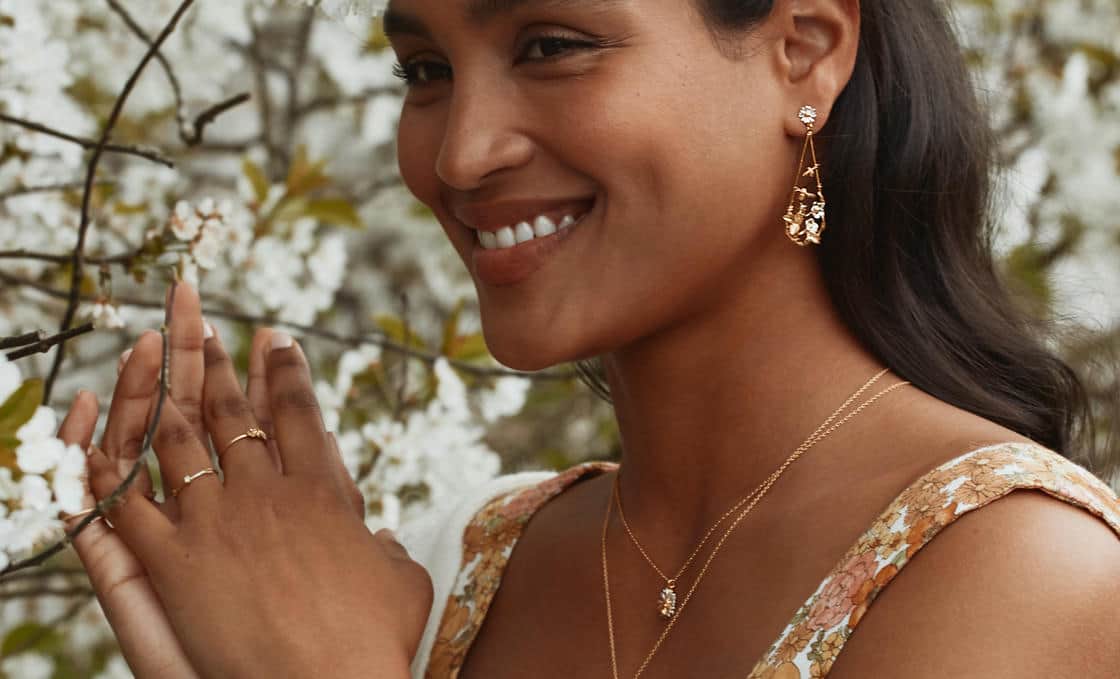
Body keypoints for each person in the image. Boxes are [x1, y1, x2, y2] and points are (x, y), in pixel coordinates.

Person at [56, 0, 1120, 677]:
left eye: (552, 46)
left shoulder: (1028, 576)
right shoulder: (452, 559)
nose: (462, 153)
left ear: (802, 52)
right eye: (424, 71)